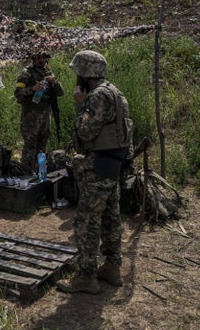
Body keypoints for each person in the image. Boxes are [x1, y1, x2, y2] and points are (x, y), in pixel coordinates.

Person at [57, 50, 134, 294]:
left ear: (86, 73)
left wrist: (80, 106)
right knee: (111, 217)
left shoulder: (97, 97)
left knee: (87, 221)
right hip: (114, 165)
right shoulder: (116, 93)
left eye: (78, 72)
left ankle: (86, 276)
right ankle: (112, 267)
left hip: (99, 166)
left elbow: (86, 132)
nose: (76, 76)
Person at [14, 51, 64, 173]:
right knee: (30, 144)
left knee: (42, 144)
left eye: (44, 57)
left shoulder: (48, 73)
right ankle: (25, 171)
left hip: (45, 113)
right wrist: (32, 89)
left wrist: (54, 82)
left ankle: (38, 171)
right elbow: (18, 93)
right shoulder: (27, 73)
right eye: (39, 58)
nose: (42, 60)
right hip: (31, 114)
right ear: (34, 59)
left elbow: (61, 93)